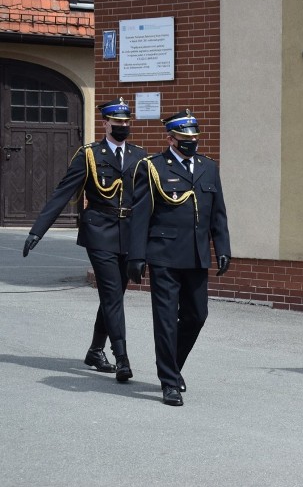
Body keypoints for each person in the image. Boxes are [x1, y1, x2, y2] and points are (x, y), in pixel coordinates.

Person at [22, 97, 146, 382]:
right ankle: (122, 358)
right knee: (113, 295)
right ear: (106, 123)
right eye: (118, 123)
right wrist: (37, 230)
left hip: (129, 235)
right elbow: (63, 192)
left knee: (112, 296)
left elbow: (145, 200)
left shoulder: (140, 156)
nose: (123, 127)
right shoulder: (89, 154)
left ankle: (94, 350)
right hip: (99, 231)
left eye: (127, 123)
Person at [127, 109, 231, 407]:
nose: (191, 142)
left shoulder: (209, 167)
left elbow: (218, 214)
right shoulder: (153, 167)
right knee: (165, 320)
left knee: (197, 316)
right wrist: (137, 256)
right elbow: (140, 216)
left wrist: (222, 248)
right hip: (164, 256)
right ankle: (169, 382)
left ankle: (173, 365)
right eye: (185, 138)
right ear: (171, 138)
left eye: (194, 137)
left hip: (197, 255)